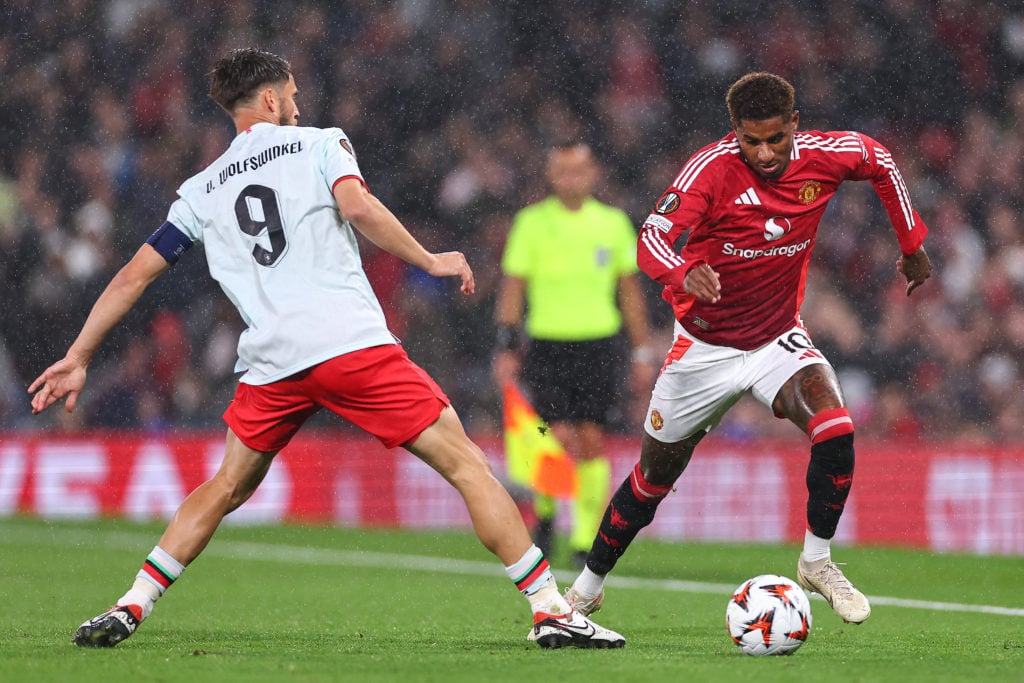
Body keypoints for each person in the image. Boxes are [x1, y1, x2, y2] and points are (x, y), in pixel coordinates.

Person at [28, 48, 624, 650]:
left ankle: (133, 602)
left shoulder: (200, 189)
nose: (297, 104)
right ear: (268, 100)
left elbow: (133, 274)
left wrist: (79, 355)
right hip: (349, 342)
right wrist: (429, 259)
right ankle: (551, 609)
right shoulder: (320, 143)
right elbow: (357, 206)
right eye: (289, 93)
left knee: (226, 485)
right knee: (466, 463)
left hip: (272, 361)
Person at [564, 72, 933, 625]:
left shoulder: (826, 156)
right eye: (750, 140)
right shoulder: (710, 170)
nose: (763, 153)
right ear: (734, 131)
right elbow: (650, 240)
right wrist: (683, 271)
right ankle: (586, 590)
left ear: (795, 126)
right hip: (702, 349)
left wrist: (912, 246)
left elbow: (879, 160)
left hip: (775, 339)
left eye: (775, 139)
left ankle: (817, 561)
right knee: (651, 482)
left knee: (835, 429)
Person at [492, 141, 656, 569]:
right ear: (551, 175)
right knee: (553, 435)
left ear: (592, 173)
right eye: (563, 171)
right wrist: (507, 343)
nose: (571, 179)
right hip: (547, 343)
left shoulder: (613, 223)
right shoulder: (531, 223)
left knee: (591, 438)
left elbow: (630, 292)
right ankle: (546, 517)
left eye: (578, 171)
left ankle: (586, 537)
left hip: (599, 344)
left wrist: (641, 351)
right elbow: (513, 287)